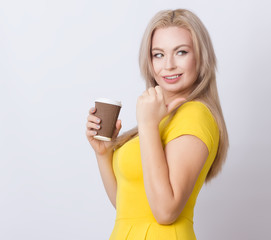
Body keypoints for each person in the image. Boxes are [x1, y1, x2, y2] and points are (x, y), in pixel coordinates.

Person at [86, 9, 228, 240]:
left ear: (200, 57)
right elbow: (128, 208)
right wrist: (103, 154)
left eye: (181, 52)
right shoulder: (160, 117)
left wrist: (147, 124)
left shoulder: (196, 114)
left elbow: (165, 211)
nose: (168, 65)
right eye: (158, 54)